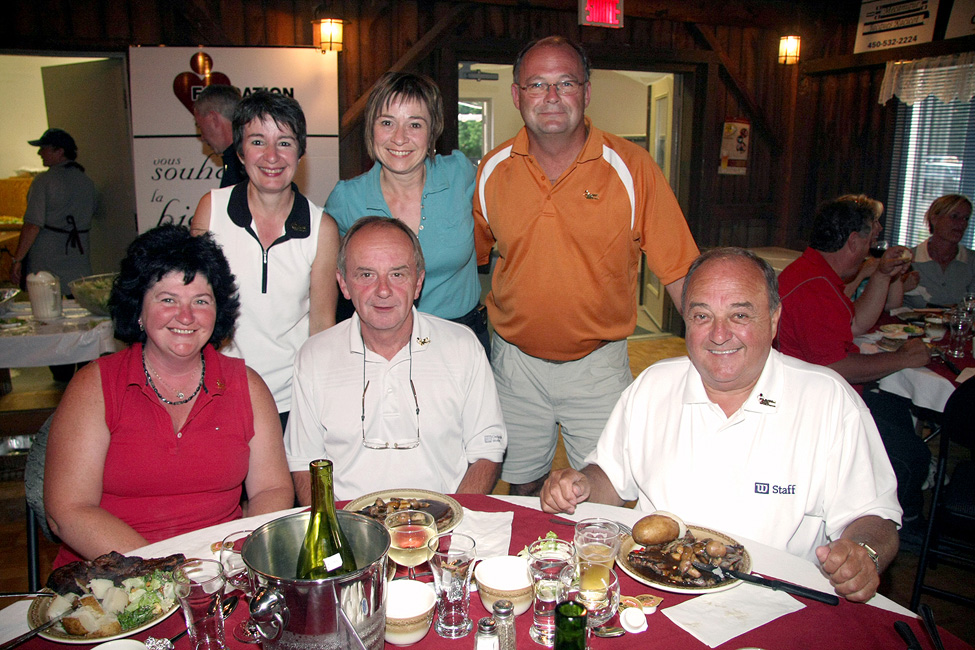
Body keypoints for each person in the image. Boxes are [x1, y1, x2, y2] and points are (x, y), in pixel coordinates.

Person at [540, 248, 901, 603]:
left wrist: (862, 553)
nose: (718, 334)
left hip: (773, 604)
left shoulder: (828, 400)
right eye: (701, 316)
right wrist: (582, 484)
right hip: (656, 594)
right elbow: (610, 479)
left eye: (740, 315)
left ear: (774, 318)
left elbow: (874, 516)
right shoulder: (653, 386)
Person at [473, 36, 699, 495]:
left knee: (609, 495)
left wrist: (711, 353)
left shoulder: (633, 168)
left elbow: (679, 272)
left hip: (599, 369)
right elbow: (473, 264)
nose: (551, 98)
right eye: (537, 84)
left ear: (587, 92)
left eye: (566, 83)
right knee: (520, 490)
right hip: (514, 367)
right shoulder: (492, 170)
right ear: (517, 95)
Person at [44, 225, 294, 566]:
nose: (186, 316)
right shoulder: (94, 387)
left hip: (220, 571)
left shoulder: (247, 387)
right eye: (168, 300)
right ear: (138, 308)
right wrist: (164, 569)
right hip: (113, 573)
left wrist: (240, 557)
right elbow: (68, 510)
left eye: (201, 301)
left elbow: (272, 491)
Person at [285, 216, 506, 503]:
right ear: (343, 284)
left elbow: (486, 451)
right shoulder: (313, 357)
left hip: (442, 527)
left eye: (398, 274)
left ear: (418, 283)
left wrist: (453, 519)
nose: (383, 290)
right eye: (366, 275)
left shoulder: (463, 347)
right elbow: (304, 463)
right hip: (351, 530)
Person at [776, 195, 930, 548]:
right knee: (914, 455)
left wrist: (882, 274)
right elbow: (836, 367)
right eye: (871, 240)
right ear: (854, 242)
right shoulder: (812, 287)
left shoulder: (817, 272)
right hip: (816, 409)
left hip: (827, 393)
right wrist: (903, 359)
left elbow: (856, 323)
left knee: (896, 408)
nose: (872, 250)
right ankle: (891, 534)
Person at [191, 90, 340, 430]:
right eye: (258, 141)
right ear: (240, 152)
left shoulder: (322, 228)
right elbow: (194, 305)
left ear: (300, 152)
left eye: (285, 143)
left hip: (292, 400)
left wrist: (324, 403)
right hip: (219, 392)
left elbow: (321, 326)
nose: (272, 156)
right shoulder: (211, 210)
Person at [325, 72, 488, 354]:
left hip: (463, 341)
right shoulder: (346, 199)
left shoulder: (460, 174)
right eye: (387, 123)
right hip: (382, 345)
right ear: (370, 129)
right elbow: (325, 282)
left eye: (415, 124)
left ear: (433, 131)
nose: (400, 138)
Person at [10, 128, 96, 291]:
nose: (40, 153)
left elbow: (33, 225)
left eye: (44, 148)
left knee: (46, 301)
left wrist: (17, 259)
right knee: (78, 294)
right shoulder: (86, 181)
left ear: (60, 151)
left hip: (47, 257)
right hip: (78, 255)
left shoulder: (44, 181)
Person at [904, 194, 975, 308]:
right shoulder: (908, 259)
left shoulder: (971, 261)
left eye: (966, 218)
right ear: (934, 219)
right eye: (954, 216)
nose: (961, 223)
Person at [193, 84, 247, 188]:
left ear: (214, 119)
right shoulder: (242, 159)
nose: (203, 137)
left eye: (200, 126)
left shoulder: (241, 165)